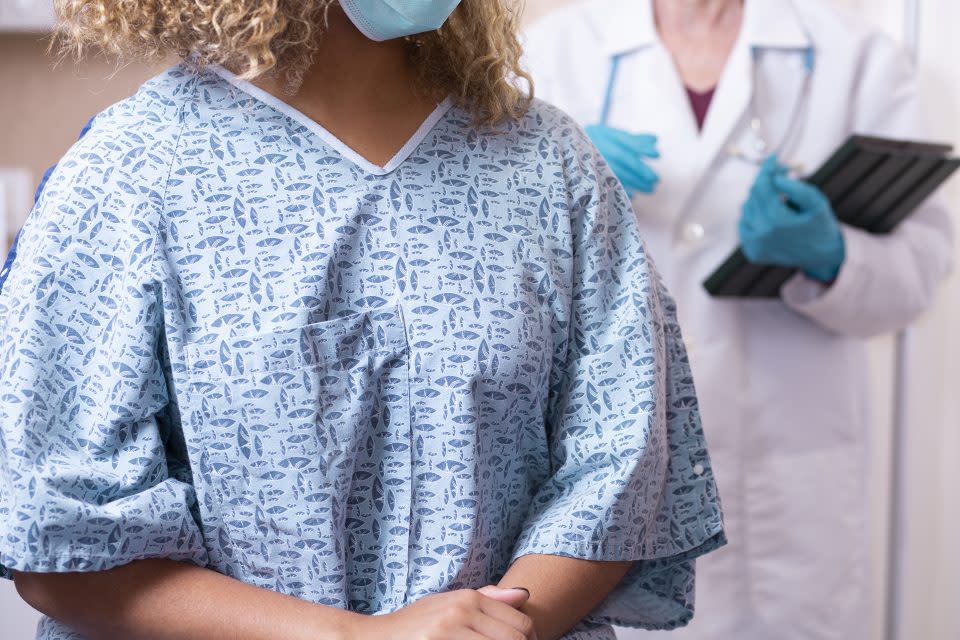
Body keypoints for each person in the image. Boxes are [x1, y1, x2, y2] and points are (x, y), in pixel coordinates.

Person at [0, 1, 725, 639]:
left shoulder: (548, 164)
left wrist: (502, 627)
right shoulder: (130, 174)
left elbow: (621, 468)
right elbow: (59, 545)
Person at [524, 0, 954, 638]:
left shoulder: (854, 56)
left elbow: (919, 275)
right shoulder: (550, 57)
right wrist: (550, 185)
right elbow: (490, 281)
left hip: (792, 485)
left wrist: (834, 257)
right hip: (609, 478)